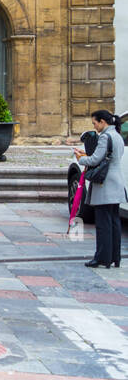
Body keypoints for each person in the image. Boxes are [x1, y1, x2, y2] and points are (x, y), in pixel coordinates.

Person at [72, 110, 125, 268]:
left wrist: (81, 158)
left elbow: (95, 159)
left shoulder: (105, 137)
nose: (95, 127)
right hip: (116, 183)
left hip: (105, 185)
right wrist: (88, 154)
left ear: (103, 122)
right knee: (114, 222)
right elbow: (108, 157)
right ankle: (115, 257)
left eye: (95, 123)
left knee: (103, 224)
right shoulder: (117, 136)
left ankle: (102, 258)